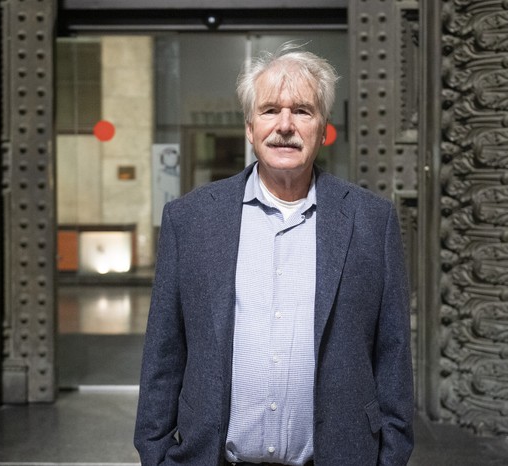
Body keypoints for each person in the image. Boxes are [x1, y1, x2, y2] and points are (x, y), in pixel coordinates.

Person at [134, 45, 414, 466]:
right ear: (249, 127)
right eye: (269, 111)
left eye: (302, 110)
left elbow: (393, 354)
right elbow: (163, 352)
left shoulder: (371, 222)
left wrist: (390, 457)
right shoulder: (189, 220)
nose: (285, 125)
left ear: (323, 127)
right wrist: (156, 455)